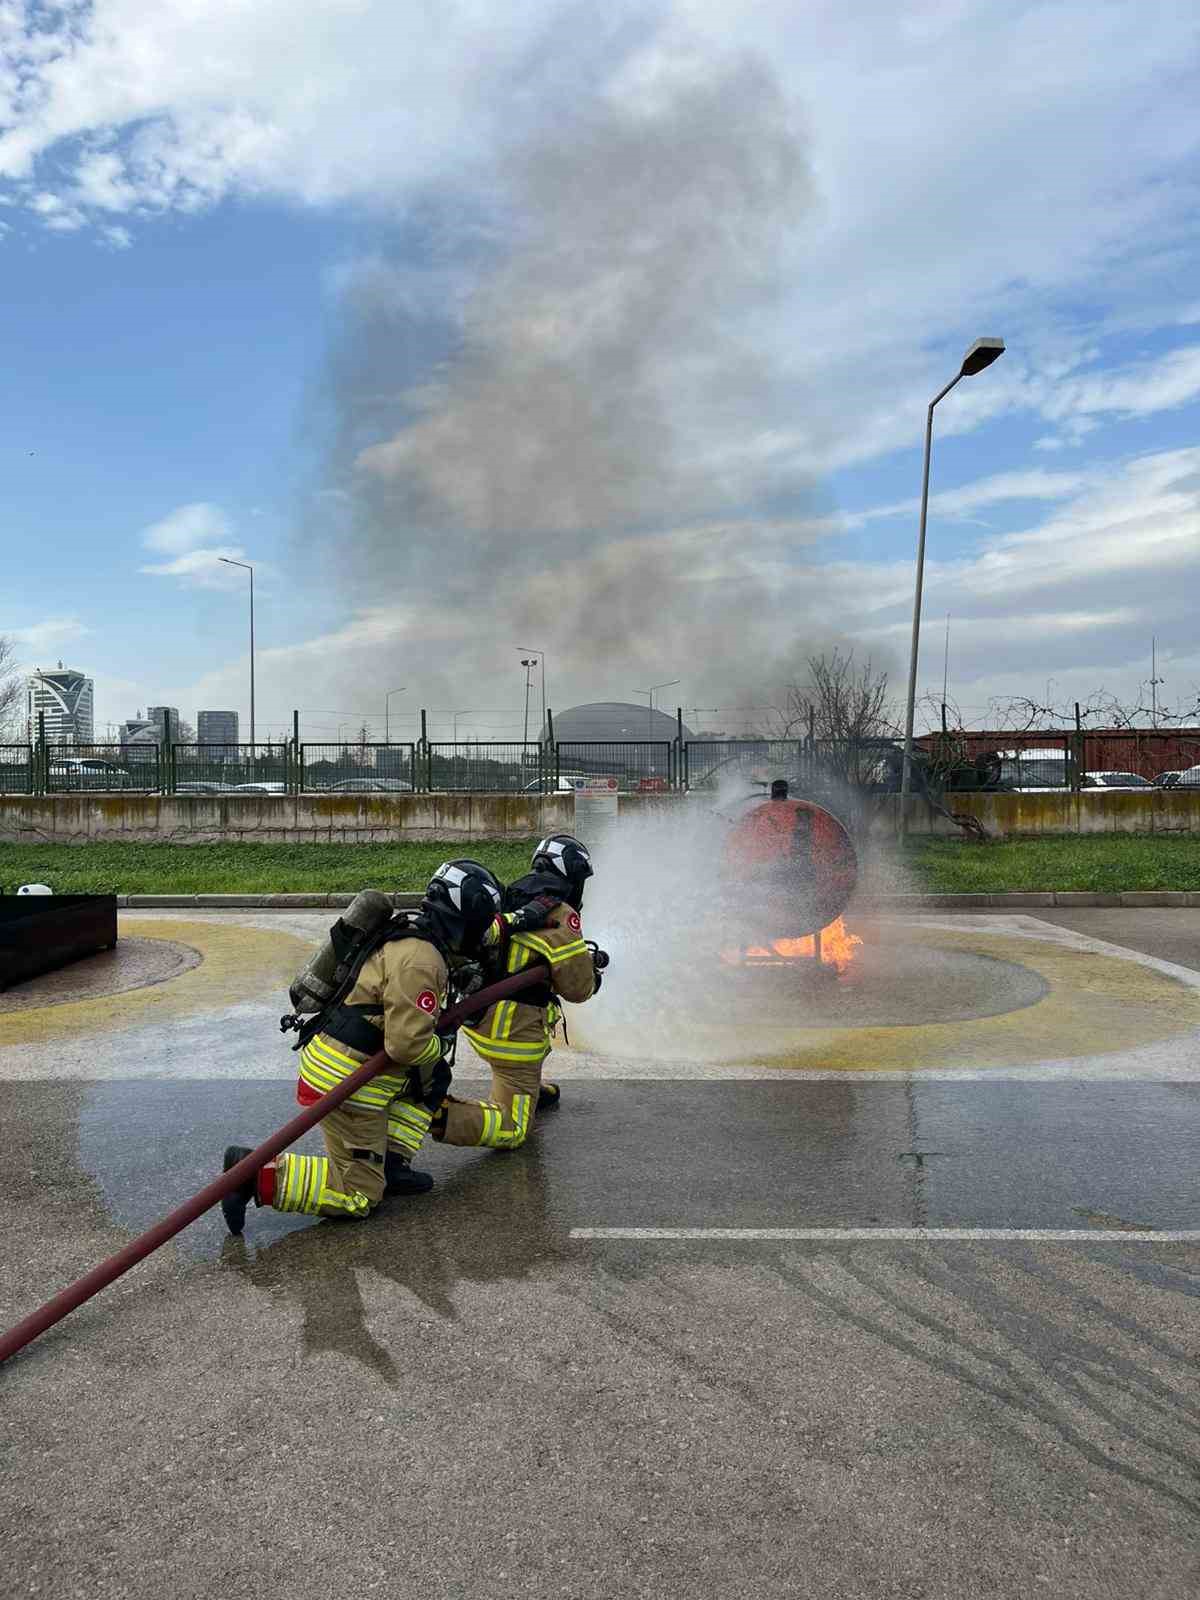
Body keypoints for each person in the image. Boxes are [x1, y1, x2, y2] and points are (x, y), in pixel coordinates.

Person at [220, 859, 504, 1234]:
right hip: (348, 1083)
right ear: (465, 921)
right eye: (480, 926)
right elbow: (406, 1046)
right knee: (357, 1195)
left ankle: (391, 1165)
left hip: (341, 1064)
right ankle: (255, 1176)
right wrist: (440, 1042)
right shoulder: (422, 960)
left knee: (433, 1079)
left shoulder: (412, 935)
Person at [433, 834, 599, 1151]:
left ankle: (528, 1089)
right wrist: (593, 975)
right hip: (512, 1036)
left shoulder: (513, 894)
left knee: (519, 1070)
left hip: (480, 1021)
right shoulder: (560, 915)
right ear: (574, 878)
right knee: (513, 1129)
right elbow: (578, 989)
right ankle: (435, 1113)